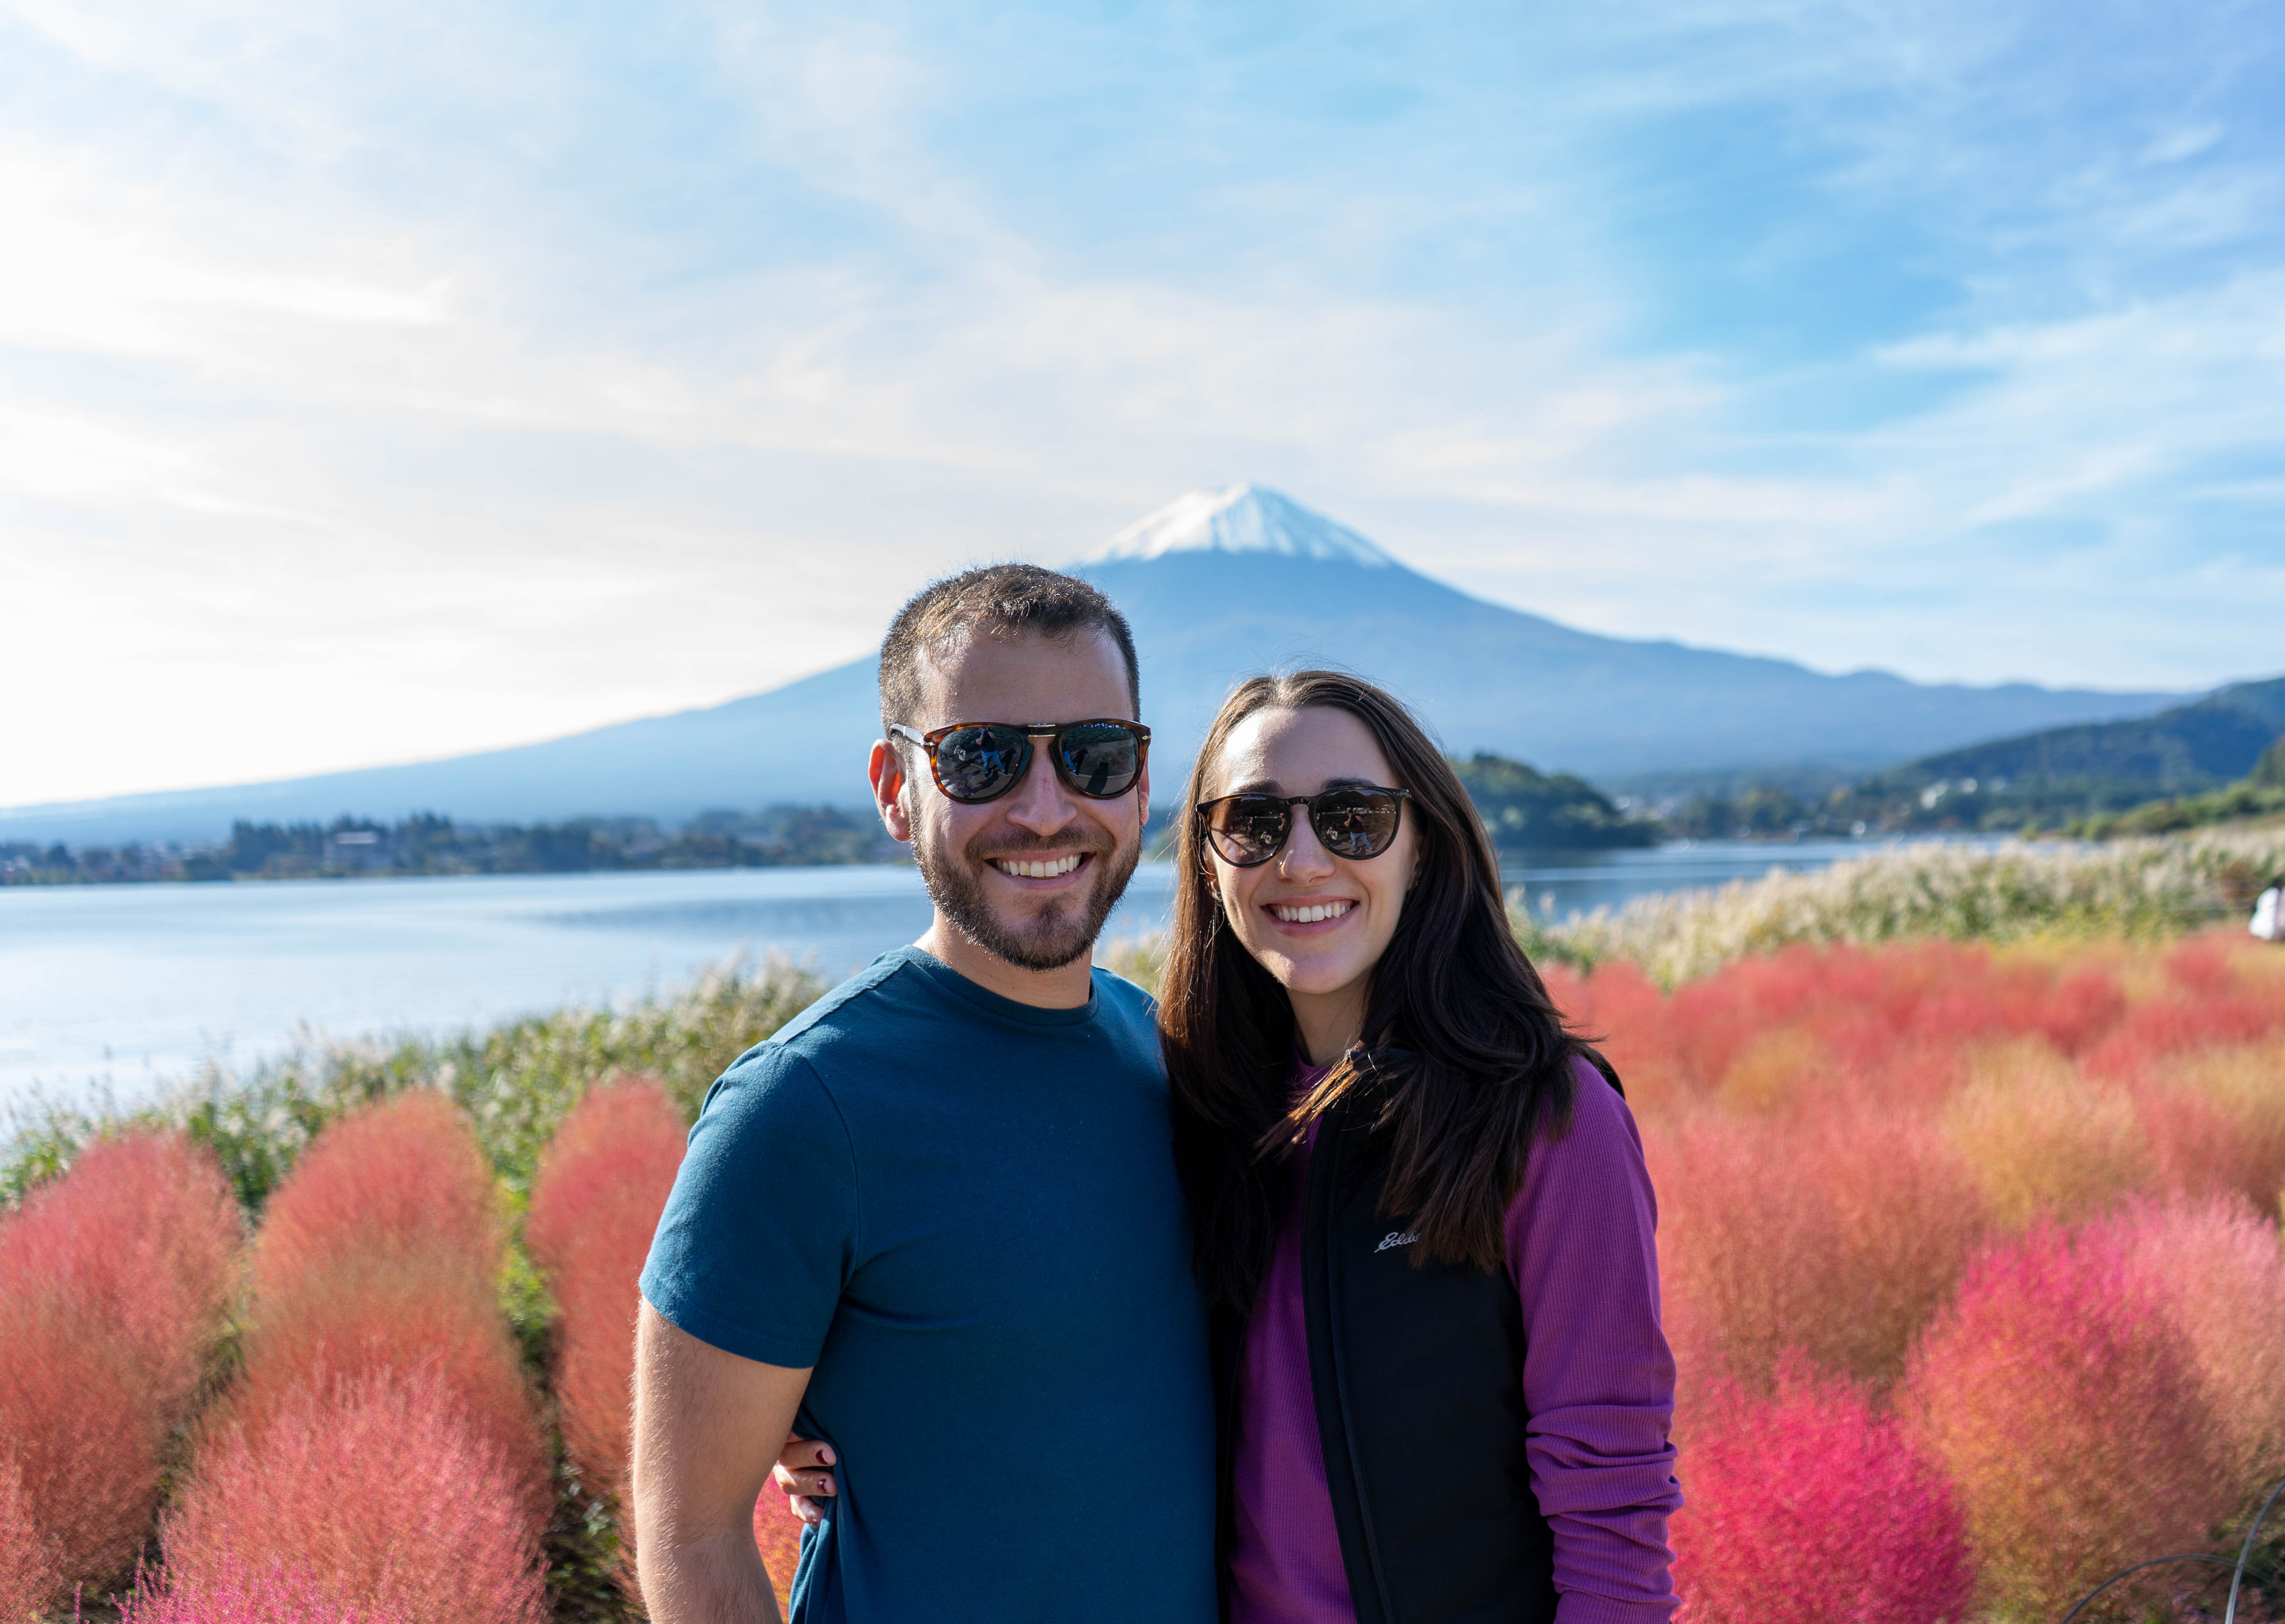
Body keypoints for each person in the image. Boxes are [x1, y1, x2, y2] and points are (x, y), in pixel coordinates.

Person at [783, 670, 1681, 1622]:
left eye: (1353, 817)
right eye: (1253, 822)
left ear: (1420, 845)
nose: (1300, 860)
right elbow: (1035, 1336)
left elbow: (1610, 1490)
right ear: (1209, 860)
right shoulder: (1192, 1108)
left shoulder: (1543, 1118)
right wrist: (835, 1420)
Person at [631, 566, 1215, 1624]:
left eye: (1093, 755)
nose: (1045, 811)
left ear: (1138, 785)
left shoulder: (1177, 1058)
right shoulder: (803, 1109)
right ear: (896, 788)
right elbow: (691, 1536)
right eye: (981, 759)